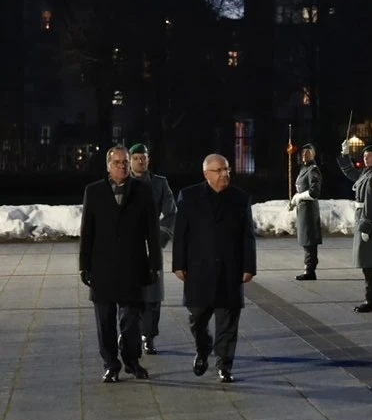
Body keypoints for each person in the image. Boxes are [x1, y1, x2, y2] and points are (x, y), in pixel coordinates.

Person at [172, 154, 257, 383]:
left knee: (228, 322)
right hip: (198, 271)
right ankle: (203, 348)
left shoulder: (240, 199)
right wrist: (178, 264)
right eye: (218, 170)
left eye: (227, 169)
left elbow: (248, 236)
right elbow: (181, 234)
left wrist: (249, 266)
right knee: (197, 319)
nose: (224, 174)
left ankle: (224, 364)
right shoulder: (189, 196)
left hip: (230, 270)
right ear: (206, 174)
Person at [80, 145, 160, 382]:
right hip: (102, 267)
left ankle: (132, 361)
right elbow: (87, 231)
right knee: (104, 321)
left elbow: (152, 233)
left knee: (131, 322)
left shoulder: (143, 191)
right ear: (108, 166)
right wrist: (84, 265)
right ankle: (110, 363)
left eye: (125, 162)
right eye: (117, 163)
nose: (122, 166)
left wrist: (154, 264)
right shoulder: (93, 192)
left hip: (133, 266)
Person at [128, 143, 176, 355]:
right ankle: (130, 333)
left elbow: (171, 213)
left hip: (151, 246)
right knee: (129, 294)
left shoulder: (159, 184)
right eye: (136, 157)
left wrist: (159, 238)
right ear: (130, 160)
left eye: (143, 157)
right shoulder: (122, 183)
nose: (140, 161)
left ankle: (149, 336)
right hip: (127, 247)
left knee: (152, 296)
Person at [338, 141, 372, 312]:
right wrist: (345, 156)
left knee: (369, 264)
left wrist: (366, 227)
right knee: (366, 264)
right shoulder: (367, 173)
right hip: (363, 218)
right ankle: (371, 299)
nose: (366, 158)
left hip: (368, 221)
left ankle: (371, 301)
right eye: (365, 156)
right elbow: (351, 172)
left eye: (370, 156)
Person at [290, 143, 323, 281]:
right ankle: (308, 268)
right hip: (302, 210)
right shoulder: (304, 169)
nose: (304, 154)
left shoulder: (313, 170)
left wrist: (299, 197)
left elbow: (314, 191)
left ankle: (310, 270)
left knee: (309, 240)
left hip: (309, 210)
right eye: (303, 152)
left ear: (313, 154)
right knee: (305, 240)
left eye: (308, 152)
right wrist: (294, 200)